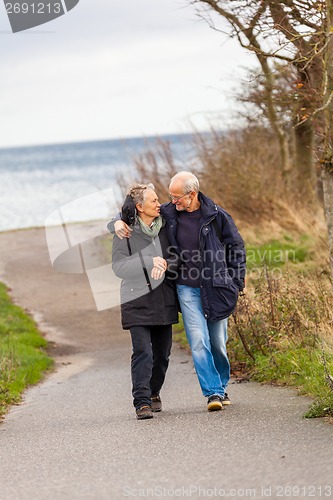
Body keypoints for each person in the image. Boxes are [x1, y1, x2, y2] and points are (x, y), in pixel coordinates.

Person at [113, 172, 246, 412]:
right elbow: (133, 211)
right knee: (198, 341)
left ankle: (221, 385)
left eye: (176, 197)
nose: (170, 201)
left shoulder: (217, 216)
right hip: (187, 287)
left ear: (192, 194)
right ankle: (213, 392)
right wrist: (114, 222)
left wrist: (237, 282)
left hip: (216, 286)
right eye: (169, 197)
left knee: (217, 343)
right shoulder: (170, 213)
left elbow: (237, 246)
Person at [110, 183, 179, 420]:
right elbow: (118, 266)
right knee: (142, 353)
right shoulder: (126, 231)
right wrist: (149, 260)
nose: (159, 204)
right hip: (136, 299)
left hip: (163, 300)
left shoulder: (166, 227)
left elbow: (177, 259)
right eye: (153, 201)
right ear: (139, 207)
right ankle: (141, 402)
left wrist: (167, 264)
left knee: (162, 355)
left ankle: (153, 392)